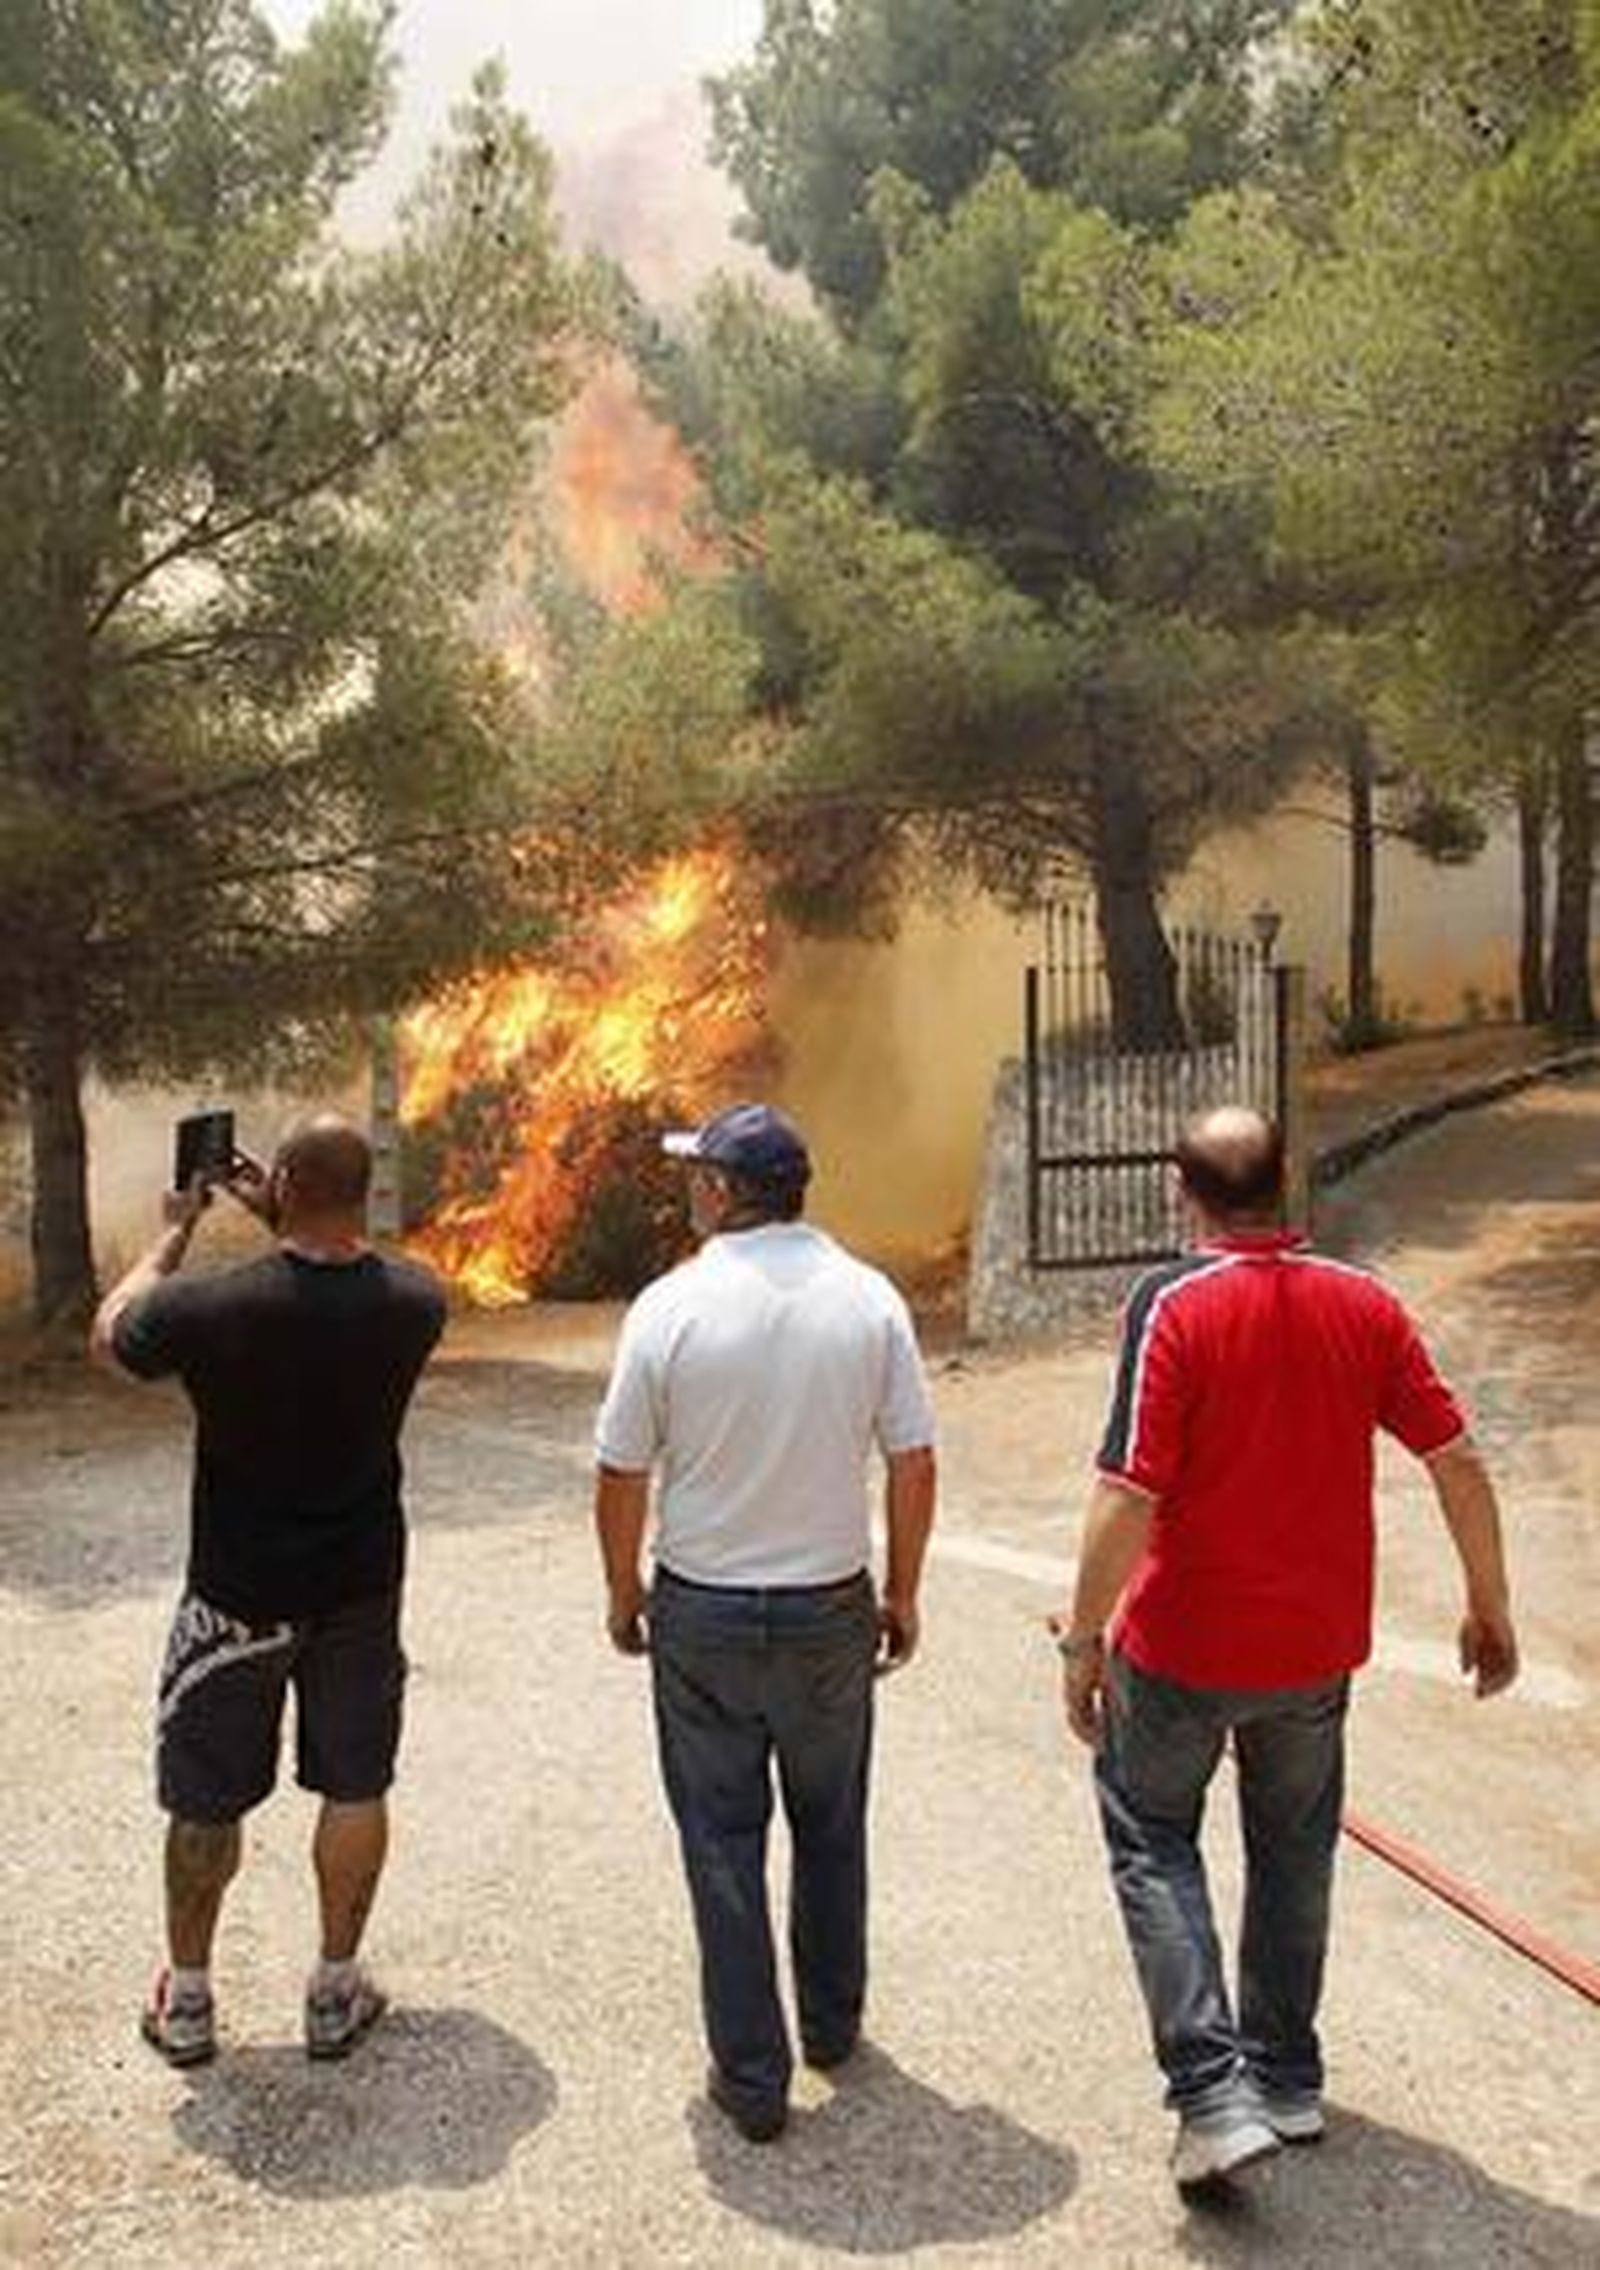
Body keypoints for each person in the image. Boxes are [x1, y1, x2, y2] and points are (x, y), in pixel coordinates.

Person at [1053, 1104, 1518, 2193]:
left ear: (1184, 1190)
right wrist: (1487, 1604)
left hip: (1179, 1647)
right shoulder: (1366, 1303)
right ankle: (1285, 2074)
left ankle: (1212, 2095)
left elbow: (1127, 1487)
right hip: (1313, 1650)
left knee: (1150, 1834)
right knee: (1294, 1846)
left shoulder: (1170, 1301)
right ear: (1287, 1182)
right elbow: (1455, 1457)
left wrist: (1083, 1639)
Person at [593, 1102, 938, 2142]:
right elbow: (912, 1459)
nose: (689, 1189)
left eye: (697, 1174)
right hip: (830, 1606)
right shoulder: (870, 1299)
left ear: (724, 1191)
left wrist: (623, 1588)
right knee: (830, 1823)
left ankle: (752, 2077)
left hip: (699, 1611)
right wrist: (902, 1590)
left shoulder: (669, 1306)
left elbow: (621, 1468)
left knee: (720, 1837)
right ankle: (830, 2026)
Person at [90, 1113, 446, 2067]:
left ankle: (193, 2003)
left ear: (281, 1179)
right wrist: (286, 1203)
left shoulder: (209, 1310)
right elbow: (347, 1272)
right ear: (364, 1192)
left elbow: (111, 1334)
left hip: (235, 1599)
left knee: (207, 1801)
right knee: (357, 1783)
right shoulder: (416, 1303)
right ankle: (335, 1990)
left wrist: (178, 1228)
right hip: (361, 1594)